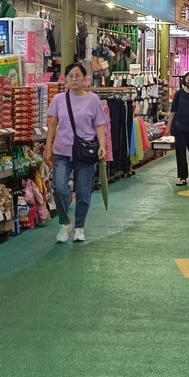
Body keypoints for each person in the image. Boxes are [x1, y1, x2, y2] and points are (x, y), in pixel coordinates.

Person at [44, 62, 107, 243]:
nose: (73, 79)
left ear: (84, 78)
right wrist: (48, 147)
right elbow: (52, 125)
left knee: (83, 191)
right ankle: (65, 222)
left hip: (85, 152)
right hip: (62, 150)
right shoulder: (58, 100)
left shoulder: (93, 99)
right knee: (60, 188)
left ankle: (79, 226)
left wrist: (102, 146)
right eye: (70, 76)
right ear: (65, 79)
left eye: (77, 75)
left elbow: (100, 124)